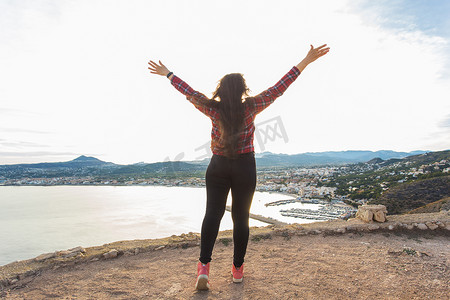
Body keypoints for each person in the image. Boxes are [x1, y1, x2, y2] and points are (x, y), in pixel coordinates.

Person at [147, 44, 330, 290]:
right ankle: (237, 270)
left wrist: (168, 74)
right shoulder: (252, 107)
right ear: (244, 90)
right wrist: (306, 61)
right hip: (245, 167)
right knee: (240, 218)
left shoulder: (212, 108)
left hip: (217, 167)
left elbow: (189, 92)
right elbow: (279, 88)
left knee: (212, 215)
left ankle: (203, 268)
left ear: (220, 91)